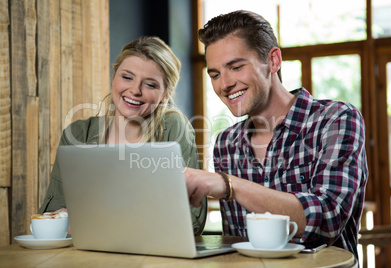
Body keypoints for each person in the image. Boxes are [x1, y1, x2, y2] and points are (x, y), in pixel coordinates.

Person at [184, 10, 368, 257]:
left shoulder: (334, 120)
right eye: (215, 74)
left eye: (236, 67)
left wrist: (229, 185)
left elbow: (328, 219)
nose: (224, 84)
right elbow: (238, 244)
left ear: (273, 61)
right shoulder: (226, 143)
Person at [38, 36, 207, 235]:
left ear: (166, 94)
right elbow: (52, 215)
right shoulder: (77, 134)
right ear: (113, 77)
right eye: (127, 77)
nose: (135, 90)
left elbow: (192, 220)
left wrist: (88, 220)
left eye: (150, 85)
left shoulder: (175, 128)